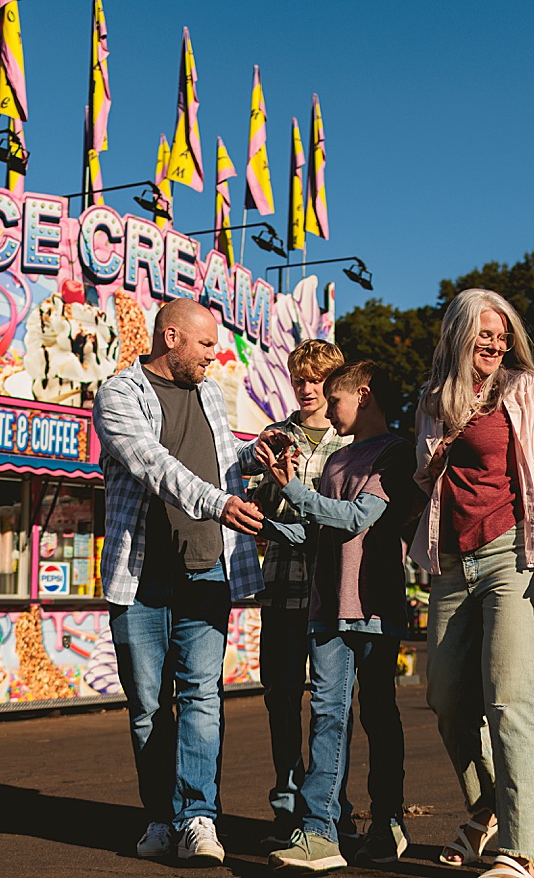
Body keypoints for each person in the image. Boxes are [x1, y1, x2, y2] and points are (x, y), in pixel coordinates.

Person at [409, 288, 534, 878]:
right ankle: (488, 808)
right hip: (455, 562)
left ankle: (521, 850)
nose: (495, 343)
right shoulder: (435, 400)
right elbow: (423, 477)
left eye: (502, 334)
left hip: (520, 552)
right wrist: (445, 437)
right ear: (459, 335)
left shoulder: (528, 391)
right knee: (447, 697)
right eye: (484, 333)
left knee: (512, 699)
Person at [92, 298, 268, 865]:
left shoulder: (211, 394)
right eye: (207, 345)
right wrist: (219, 502)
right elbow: (154, 465)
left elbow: (220, 461)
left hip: (207, 569)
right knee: (147, 705)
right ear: (172, 337)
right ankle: (160, 819)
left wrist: (255, 456)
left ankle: (198, 818)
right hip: (140, 576)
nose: (214, 357)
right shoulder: (119, 394)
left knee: (202, 698)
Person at [259, 360, 424, 872]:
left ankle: (388, 821)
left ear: (365, 395)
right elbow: (319, 532)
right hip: (326, 608)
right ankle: (319, 832)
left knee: (377, 715)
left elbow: (358, 518)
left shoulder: (397, 454)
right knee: (327, 714)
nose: (327, 411)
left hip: (374, 606)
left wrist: (295, 492)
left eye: (335, 400)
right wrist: (265, 524)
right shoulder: (336, 462)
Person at [250, 339, 354, 848]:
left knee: (330, 704)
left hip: (334, 590)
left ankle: (332, 805)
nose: (308, 389)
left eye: (318, 381)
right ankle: (288, 801)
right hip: (283, 586)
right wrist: (268, 515)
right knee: (282, 698)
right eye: (301, 380)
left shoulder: (351, 442)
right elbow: (250, 506)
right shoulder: (273, 438)